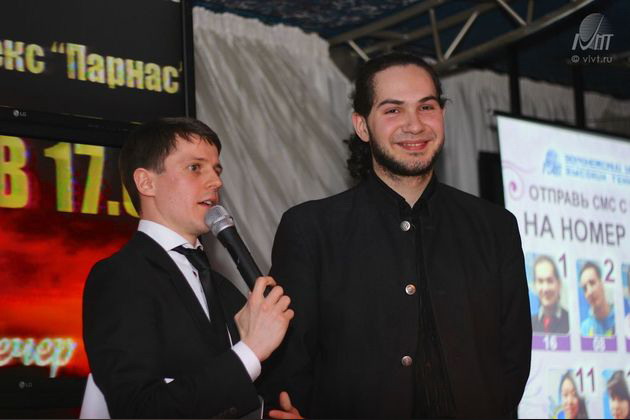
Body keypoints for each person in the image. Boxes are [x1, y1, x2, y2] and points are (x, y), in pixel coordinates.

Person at [260, 52, 532, 418]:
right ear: (362, 126)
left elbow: (513, 358)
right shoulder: (312, 229)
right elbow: (288, 364)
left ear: (443, 114)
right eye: (393, 110)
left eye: (426, 107)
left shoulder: (495, 227)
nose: (414, 125)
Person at [83, 117, 294, 418]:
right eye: (195, 167)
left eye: (217, 170)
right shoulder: (119, 277)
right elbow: (138, 408)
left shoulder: (223, 288)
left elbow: (243, 393)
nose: (216, 182)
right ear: (146, 182)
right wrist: (250, 350)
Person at [531, 255, 570, 334]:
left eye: (550, 280)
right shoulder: (530, 323)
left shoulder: (570, 321)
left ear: (559, 284)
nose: (545, 289)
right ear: (535, 285)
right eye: (540, 281)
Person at [579, 262, 615, 336]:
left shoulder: (622, 318)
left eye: (592, 283)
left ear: (602, 283)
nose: (589, 292)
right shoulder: (584, 330)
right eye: (585, 288)